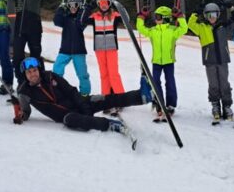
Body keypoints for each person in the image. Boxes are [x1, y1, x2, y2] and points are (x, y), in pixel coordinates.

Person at [14, 56, 148, 135]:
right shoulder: (25, 92)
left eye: (34, 70)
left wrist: (84, 106)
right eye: (29, 72)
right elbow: (25, 111)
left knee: (105, 98)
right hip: (66, 116)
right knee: (74, 121)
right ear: (25, 75)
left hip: (80, 102)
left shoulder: (50, 76)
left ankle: (140, 96)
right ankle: (111, 125)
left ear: (38, 69)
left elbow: (71, 91)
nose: (33, 74)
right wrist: (21, 115)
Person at [188, 0, 234, 122]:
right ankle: (215, 105)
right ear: (205, 16)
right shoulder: (201, 28)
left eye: (214, 15)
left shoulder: (223, 27)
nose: (212, 18)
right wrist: (196, 12)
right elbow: (190, 24)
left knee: (224, 83)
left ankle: (227, 106)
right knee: (213, 84)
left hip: (222, 60)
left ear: (218, 15)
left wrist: (231, 7)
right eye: (209, 15)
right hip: (209, 60)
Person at [137, 5, 188, 121]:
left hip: (169, 62)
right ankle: (159, 103)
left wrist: (179, 16)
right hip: (156, 62)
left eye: (158, 16)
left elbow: (184, 28)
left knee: (170, 82)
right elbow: (140, 28)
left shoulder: (173, 30)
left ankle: (170, 105)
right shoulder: (153, 30)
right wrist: (142, 16)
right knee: (155, 83)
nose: (156, 19)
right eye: (155, 16)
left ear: (165, 18)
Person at [2, 0, 49, 67]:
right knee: (17, 55)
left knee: (36, 55)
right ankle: (21, 78)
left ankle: (39, 77)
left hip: (34, 28)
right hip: (20, 29)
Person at [87, 0, 127, 95]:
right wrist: (88, 7)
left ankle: (120, 96)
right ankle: (106, 97)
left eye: (106, 2)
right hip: (99, 49)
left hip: (111, 48)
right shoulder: (94, 16)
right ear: (98, 4)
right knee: (104, 74)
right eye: (101, 3)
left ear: (110, 4)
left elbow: (126, 19)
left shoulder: (115, 15)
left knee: (113, 74)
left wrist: (118, 6)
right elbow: (82, 20)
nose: (104, 5)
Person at [54, 0, 92, 95]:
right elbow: (56, 21)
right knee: (57, 70)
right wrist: (60, 9)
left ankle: (84, 94)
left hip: (78, 51)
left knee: (82, 74)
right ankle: (57, 90)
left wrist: (85, 9)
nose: (73, 7)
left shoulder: (81, 19)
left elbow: (81, 23)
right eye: (70, 5)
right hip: (65, 50)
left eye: (75, 5)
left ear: (79, 6)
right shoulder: (65, 18)